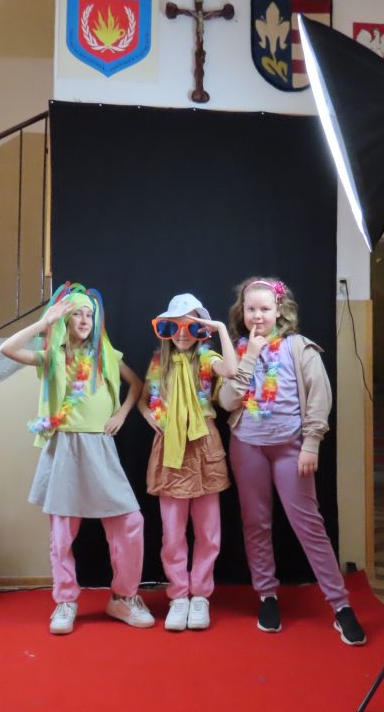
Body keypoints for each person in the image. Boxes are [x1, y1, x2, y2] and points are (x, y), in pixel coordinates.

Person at [219, 277, 367, 646]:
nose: (257, 316)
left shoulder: (299, 347)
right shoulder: (235, 350)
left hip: (291, 446)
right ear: (242, 312)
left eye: (265, 309)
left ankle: (340, 605)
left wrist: (311, 443)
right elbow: (226, 401)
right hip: (246, 446)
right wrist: (248, 356)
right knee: (255, 523)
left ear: (279, 311)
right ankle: (267, 595)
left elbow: (319, 396)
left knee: (309, 525)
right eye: (251, 309)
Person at [0, 282, 154, 635]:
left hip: (100, 447)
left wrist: (121, 415)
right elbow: (7, 349)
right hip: (65, 448)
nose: (84, 320)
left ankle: (124, 597)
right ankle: (66, 600)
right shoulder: (52, 357)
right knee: (62, 534)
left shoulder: (106, 356)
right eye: (77, 314)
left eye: (89, 314)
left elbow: (136, 384)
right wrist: (44, 323)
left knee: (130, 522)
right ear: (64, 320)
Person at [139, 293, 237, 631]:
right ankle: (179, 595)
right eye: (175, 326)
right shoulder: (159, 362)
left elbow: (232, 370)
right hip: (171, 446)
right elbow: (144, 399)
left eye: (191, 326)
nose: (182, 334)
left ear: (201, 329)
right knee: (172, 533)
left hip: (203, 444)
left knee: (209, 532)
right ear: (166, 330)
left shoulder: (207, 358)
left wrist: (220, 328)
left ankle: (201, 596)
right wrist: (150, 417)